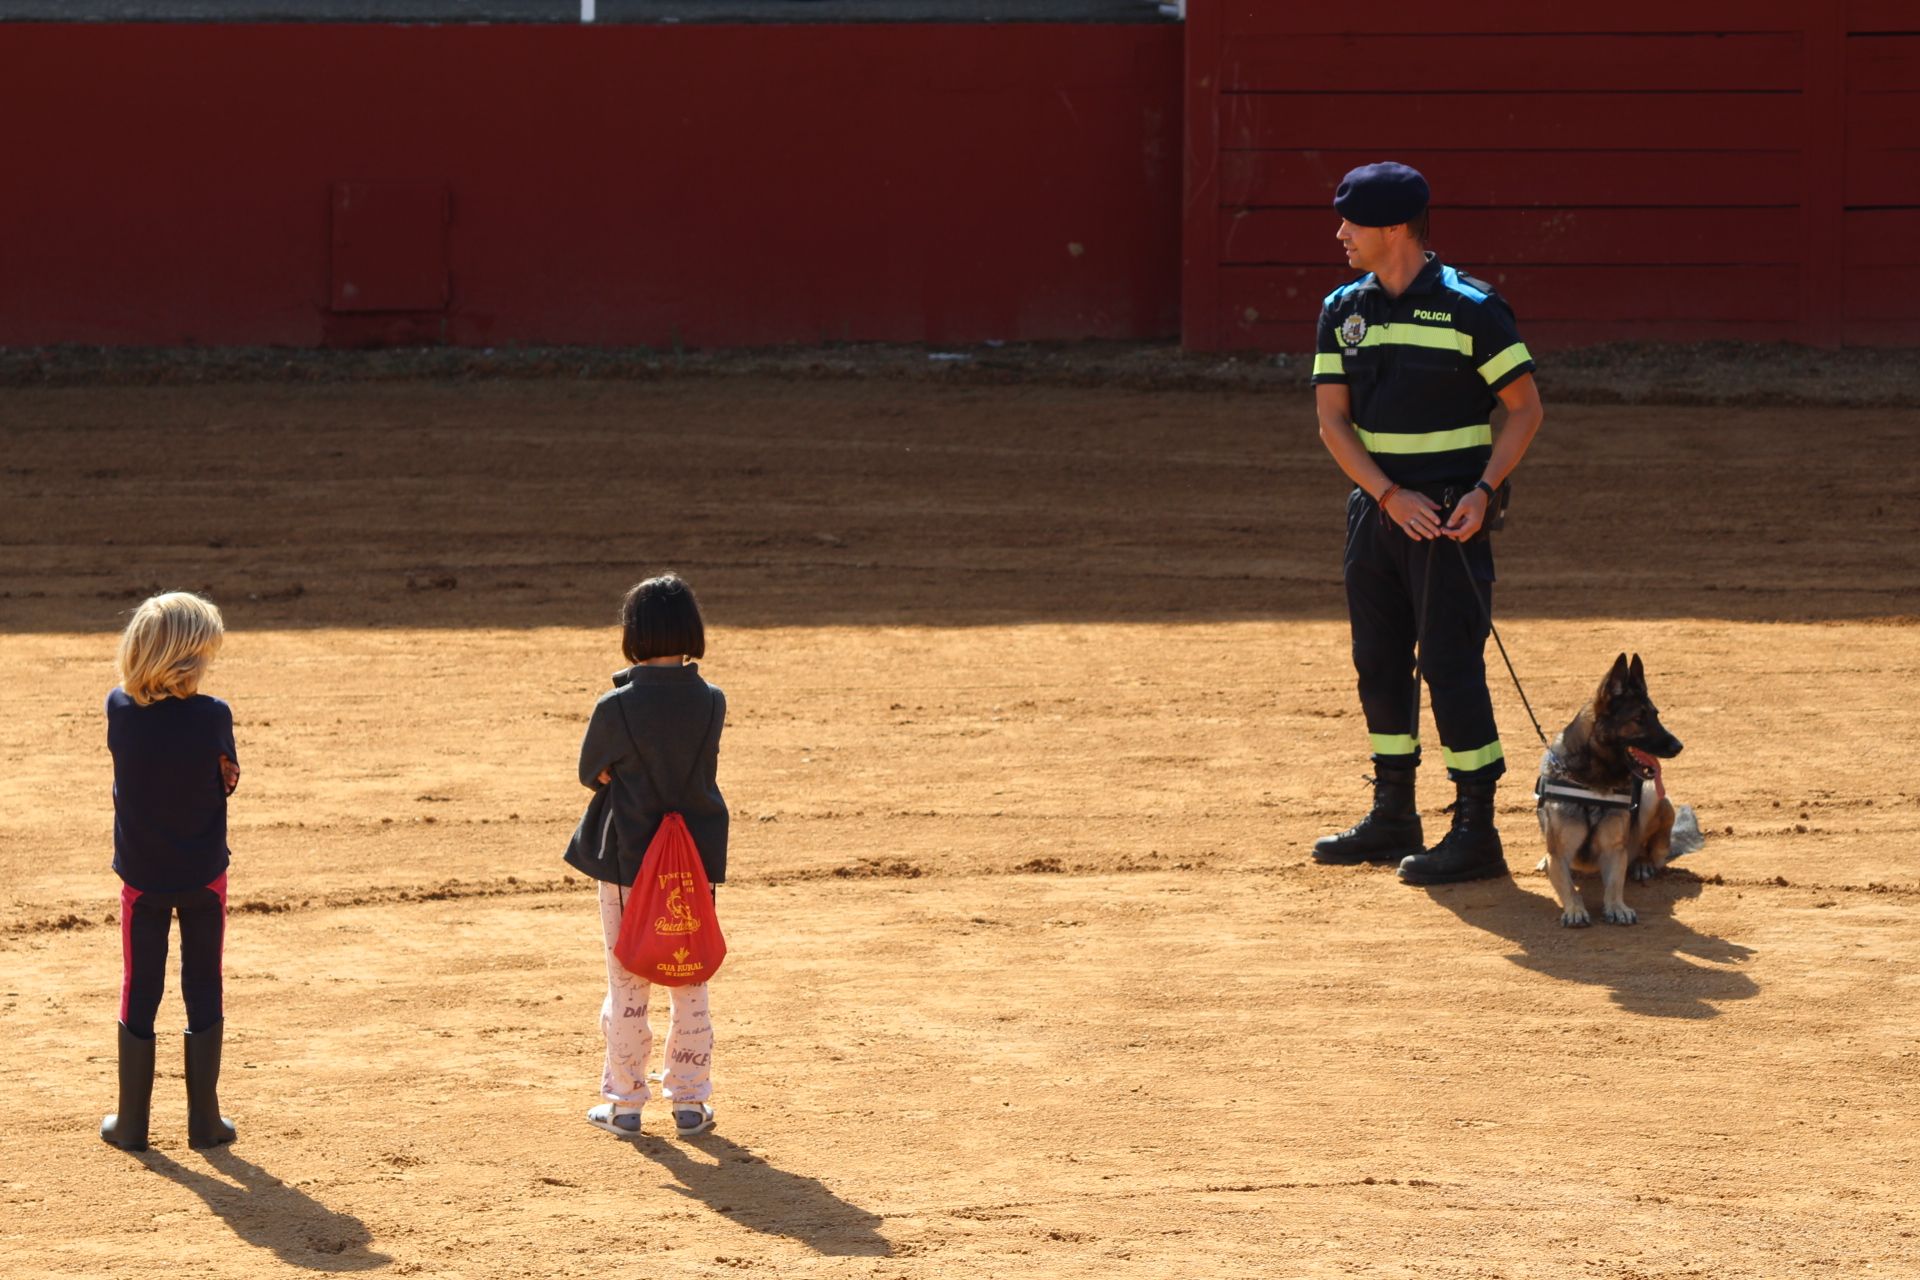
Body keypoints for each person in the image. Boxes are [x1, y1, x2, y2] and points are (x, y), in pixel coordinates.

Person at [1308, 161, 1545, 885]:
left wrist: (1482, 490)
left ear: (1394, 228)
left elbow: (1525, 408)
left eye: (1352, 221)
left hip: (1448, 519)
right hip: (1378, 514)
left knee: (1448, 665)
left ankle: (1475, 830)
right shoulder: (1344, 308)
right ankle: (1394, 815)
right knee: (1378, 662)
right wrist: (1384, 495)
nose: (1341, 233)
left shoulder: (1472, 308)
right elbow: (1331, 422)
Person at [566, 572, 728, 1139]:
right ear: (691, 630)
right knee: (690, 979)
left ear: (633, 633)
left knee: (628, 981)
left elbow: (592, 772)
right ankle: (690, 1103)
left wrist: (617, 767)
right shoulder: (711, 701)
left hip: (628, 861)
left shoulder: (616, 706)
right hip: (691, 862)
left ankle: (625, 1104)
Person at [101, 591, 241, 1152]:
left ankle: (132, 1123)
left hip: (142, 877)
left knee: (141, 986)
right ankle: (204, 1124)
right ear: (190, 661)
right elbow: (227, 780)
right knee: (204, 982)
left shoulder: (118, 708)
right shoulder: (214, 716)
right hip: (204, 874)